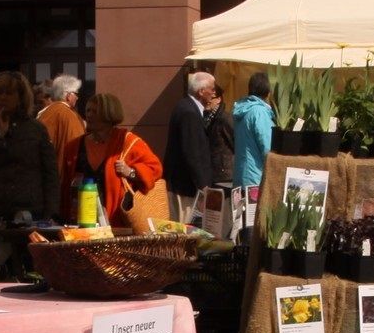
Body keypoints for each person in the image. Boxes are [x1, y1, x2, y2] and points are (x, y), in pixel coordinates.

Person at [0, 70, 59, 232]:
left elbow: (50, 173)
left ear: (20, 97)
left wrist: (50, 213)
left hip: (30, 210)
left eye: (9, 93)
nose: (3, 97)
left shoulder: (36, 130)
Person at [60, 93, 165, 229]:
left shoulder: (127, 141)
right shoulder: (73, 146)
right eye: (88, 110)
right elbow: (65, 186)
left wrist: (131, 172)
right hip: (80, 222)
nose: (89, 115)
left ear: (109, 114)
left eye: (95, 111)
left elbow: (155, 168)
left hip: (115, 222)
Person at [165, 70, 220, 221]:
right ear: (201, 91)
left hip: (181, 184)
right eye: (212, 89)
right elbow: (192, 152)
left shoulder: (186, 107)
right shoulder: (189, 112)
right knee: (183, 229)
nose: (214, 93)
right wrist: (204, 186)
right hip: (184, 186)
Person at [232, 72, 275, 193]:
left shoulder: (243, 108)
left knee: (243, 212)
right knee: (254, 212)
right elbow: (267, 145)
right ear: (267, 92)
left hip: (241, 175)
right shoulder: (259, 112)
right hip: (256, 177)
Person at [37, 73, 85, 158]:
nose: (77, 98)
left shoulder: (44, 112)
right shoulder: (71, 115)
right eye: (76, 93)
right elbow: (78, 146)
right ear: (68, 95)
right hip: (65, 167)